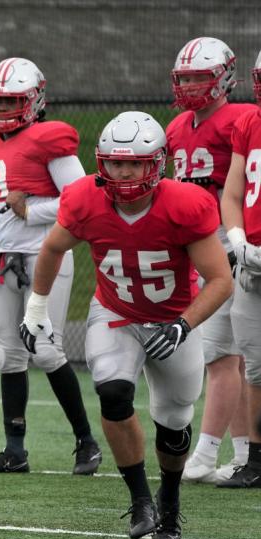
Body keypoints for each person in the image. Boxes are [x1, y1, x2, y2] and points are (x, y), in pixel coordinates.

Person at [20, 111, 232, 539]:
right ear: (101, 162)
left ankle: (169, 502)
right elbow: (52, 248)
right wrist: (36, 309)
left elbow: (220, 280)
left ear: (156, 163)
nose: (123, 172)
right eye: (115, 163)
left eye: (133, 163)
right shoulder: (84, 198)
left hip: (174, 319)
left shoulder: (184, 203)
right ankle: (140, 500)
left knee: (173, 421)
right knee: (113, 392)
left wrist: (184, 324)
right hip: (115, 314)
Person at [0, 57, 100, 475]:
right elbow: (5, 209)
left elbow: (84, 198)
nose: (2, 109)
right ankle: (14, 450)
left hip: (46, 255)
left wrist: (33, 209)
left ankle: (86, 442)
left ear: (34, 99)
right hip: (4, 259)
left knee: (44, 349)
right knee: (7, 355)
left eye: (10, 101)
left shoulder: (48, 138)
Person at [165, 37, 256, 484]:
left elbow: (240, 188)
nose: (191, 84)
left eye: (200, 75)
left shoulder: (239, 119)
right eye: (185, 77)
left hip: (227, 242)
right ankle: (241, 456)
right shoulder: (177, 125)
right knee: (231, 358)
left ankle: (203, 454)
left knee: (222, 355)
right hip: (196, 245)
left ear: (224, 77)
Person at [217, 49, 261, 489]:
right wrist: (237, 239)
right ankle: (257, 459)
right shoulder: (249, 123)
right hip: (252, 262)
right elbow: (232, 193)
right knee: (256, 364)